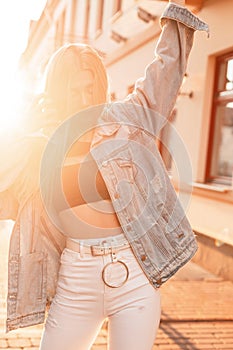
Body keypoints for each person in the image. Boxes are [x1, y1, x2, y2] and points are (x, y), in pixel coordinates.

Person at [0, 0, 209, 349]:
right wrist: (31, 124)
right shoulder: (40, 141)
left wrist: (178, 12)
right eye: (74, 88)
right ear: (57, 89)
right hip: (75, 275)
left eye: (90, 86)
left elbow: (165, 71)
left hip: (134, 274)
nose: (84, 97)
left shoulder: (127, 119)